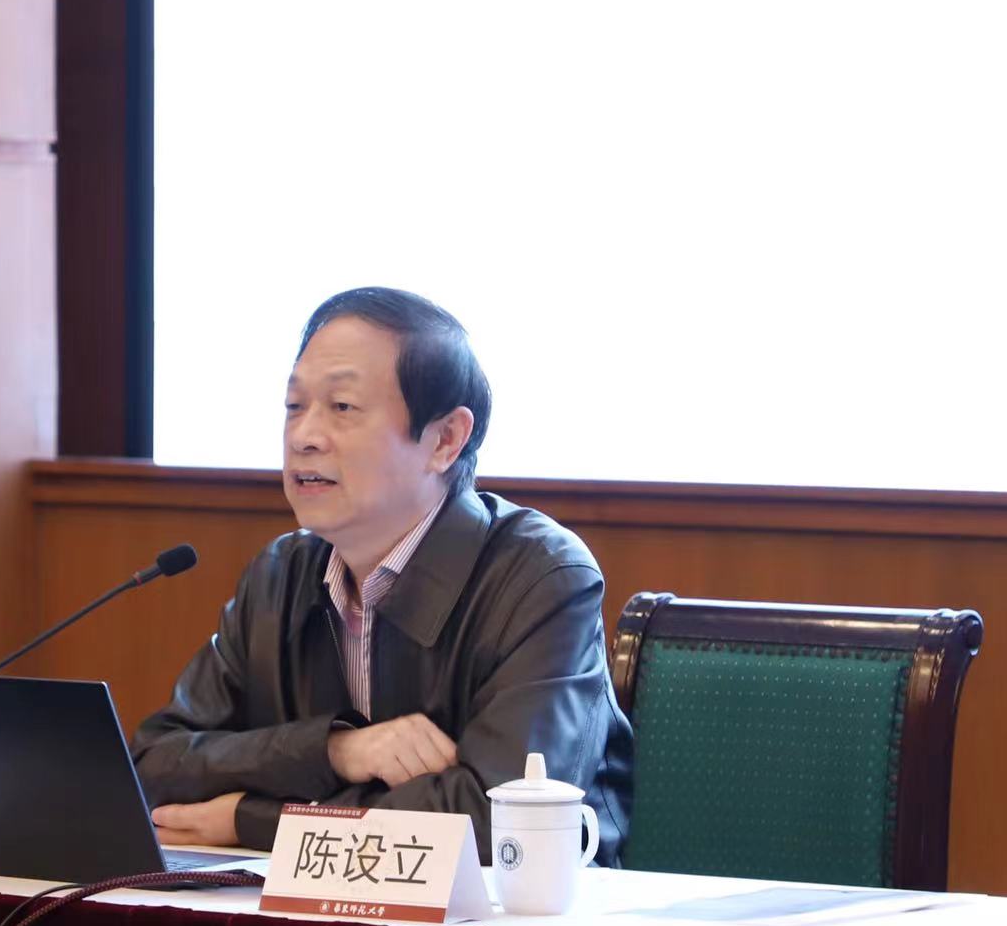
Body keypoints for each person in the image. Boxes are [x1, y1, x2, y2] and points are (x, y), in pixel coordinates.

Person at [133, 287, 633, 864]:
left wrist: (253, 820)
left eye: (342, 407)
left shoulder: (541, 578)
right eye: (294, 406)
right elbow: (154, 766)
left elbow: (501, 822)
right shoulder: (279, 576)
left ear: (444, 440)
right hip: (305, 912)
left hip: (525, 914)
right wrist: (337, 751)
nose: (304, 436)